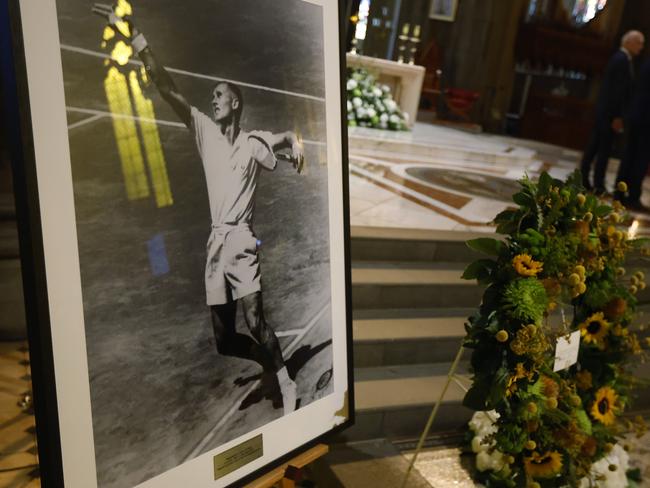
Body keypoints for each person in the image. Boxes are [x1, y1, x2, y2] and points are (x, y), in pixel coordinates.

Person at [93, 3, 305, 415]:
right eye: (212, 97)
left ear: (236, 104)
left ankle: (285, 381)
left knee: (257, 318)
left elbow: (283, 138)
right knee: (225, 341)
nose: (213, 101)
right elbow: (166, 86)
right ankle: (269, 363)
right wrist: (138, 39)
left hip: (242, 239)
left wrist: (295, 143)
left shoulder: (252, 140)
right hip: (215, 243)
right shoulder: (204, 132)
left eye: (220, 97)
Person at [580, 30, 644, 194]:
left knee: (595, 147)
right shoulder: (621, 60)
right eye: (639, 43)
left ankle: (585, 180)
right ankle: (597, 184)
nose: (641, 47)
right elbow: (617, 92)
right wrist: (617, 117)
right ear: (628, 42)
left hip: (606, 113)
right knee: (603, 150)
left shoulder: (622, 59)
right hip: (609, 114)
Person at [614, 58, 650, 212]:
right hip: (646, 119)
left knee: (629, 156)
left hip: (637, 115)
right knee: (640, 159)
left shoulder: (646, 62)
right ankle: (633, 197)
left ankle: (619, 194)